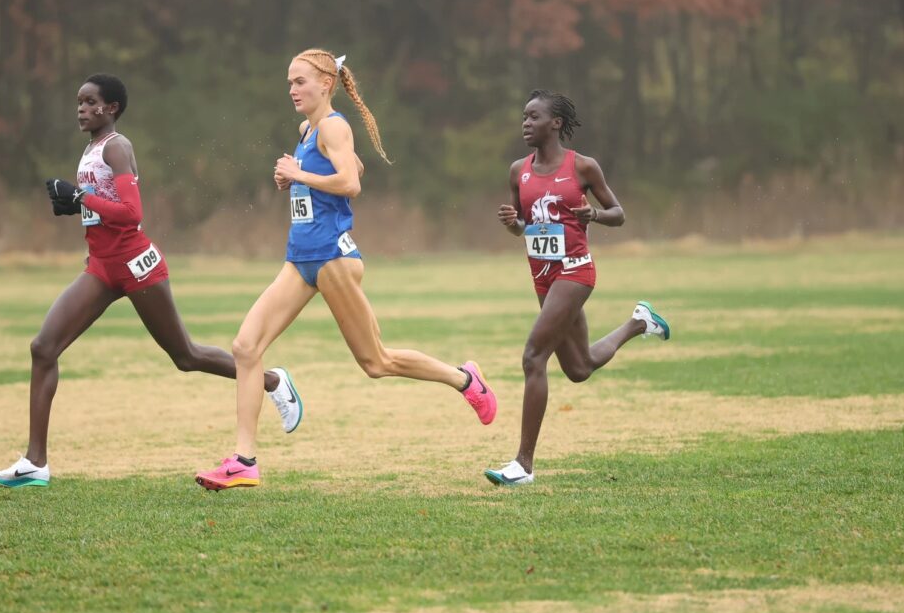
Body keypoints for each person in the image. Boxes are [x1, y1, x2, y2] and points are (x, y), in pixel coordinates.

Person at [194, 50, 498, 491]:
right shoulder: (309, 130)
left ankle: (465, 379)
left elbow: (350, 185)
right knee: (245, 346)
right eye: (289, 83)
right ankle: (244, 461)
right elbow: (353, 166)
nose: (293, 90)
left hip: (333, 259)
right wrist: (296, 179)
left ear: (325, 84)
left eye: (300, 82)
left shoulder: (334, 124)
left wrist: (301, 174)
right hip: (300, 258)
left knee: (376, 361)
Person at [0, 74, 301, 488]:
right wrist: (75, 207)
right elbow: (105, 207)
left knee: (186, 356)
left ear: (111, 108)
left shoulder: (118, 146)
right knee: (43, 347)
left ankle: (273, 381)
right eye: (79, 102)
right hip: (101, 266)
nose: (81, 108)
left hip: (136, 264)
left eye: (90, 102)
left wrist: (80, 198)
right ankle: (35, 463)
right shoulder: (92, 148)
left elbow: (132, 214)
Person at [484, 89, 670, 487]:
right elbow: (524, 226)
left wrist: (594, 215)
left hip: (575, 271)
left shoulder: (583, 167)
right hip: (542, 276)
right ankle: (639, 322)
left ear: (555, 123)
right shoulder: (519, 171)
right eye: (523, 117)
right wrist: (511, 223)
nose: (525, 123)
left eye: (533, 117)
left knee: (534, 357)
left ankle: (523, 466)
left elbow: (619, 214)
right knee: (579, 368)